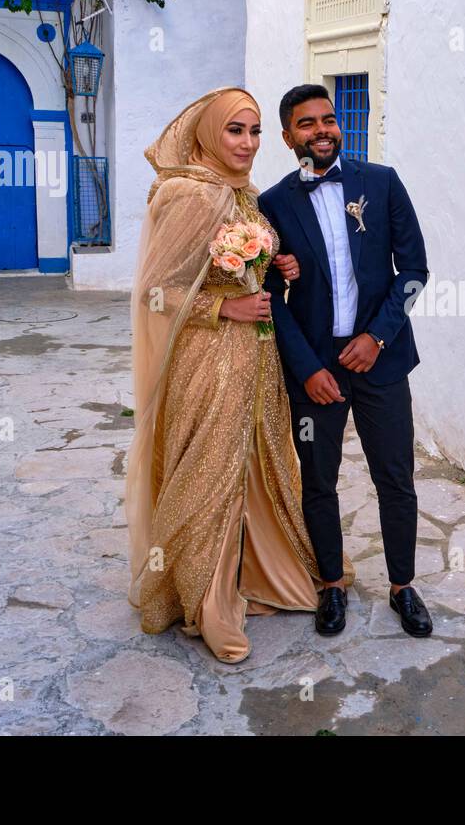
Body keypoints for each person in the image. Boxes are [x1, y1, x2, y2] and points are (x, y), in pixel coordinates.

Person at [123, 87, 354, 664]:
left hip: (257, 354)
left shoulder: (243, 193)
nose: (248, 143)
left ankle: (256, 573)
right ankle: (207, 600)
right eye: (235, 130)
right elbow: (155, 293)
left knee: (258, 464)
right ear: (208, 133)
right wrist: (224, 307)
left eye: (254, 132)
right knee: (209, 472)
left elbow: (249, 273)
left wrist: (279, 267)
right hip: (209, 358)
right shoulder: (189, 193)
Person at [257, 83, 431, 638]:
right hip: (317, 369)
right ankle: (331, 583)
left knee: (395, 477)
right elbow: (270, 297)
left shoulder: (381, 182)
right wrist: (307, 368)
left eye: (328, 119)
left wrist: (377, 337)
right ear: (287, 136)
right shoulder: (272, 205)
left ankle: (403, 586)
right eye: (307, 123)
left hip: (381, 360)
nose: (322, 130)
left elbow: (414, 271)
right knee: (318, 480)